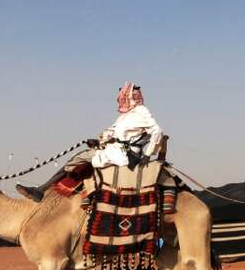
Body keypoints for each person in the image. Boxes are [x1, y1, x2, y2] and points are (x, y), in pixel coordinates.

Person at [16, 82, 163, 202]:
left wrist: (148, 154)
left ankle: (42, 190)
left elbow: (157, 131)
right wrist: (99, 141)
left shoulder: (142, 112)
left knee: (78, 159)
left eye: (124, 96)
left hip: (123, 154)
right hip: (115, 149)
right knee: (82, 156)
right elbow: (111, 133)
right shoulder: (126, 115)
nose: (121, 99)